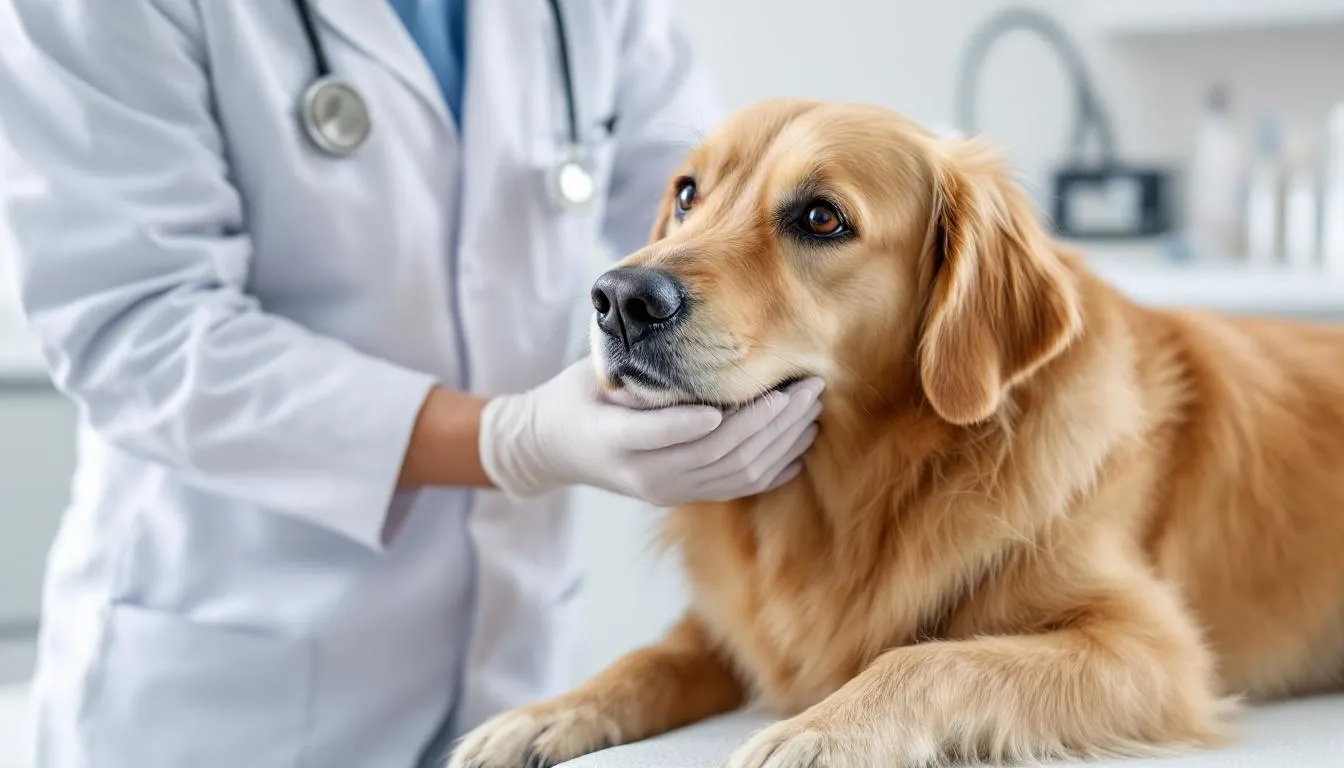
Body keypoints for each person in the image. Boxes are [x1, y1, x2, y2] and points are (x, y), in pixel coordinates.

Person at [0, 2, 823, 766]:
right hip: (229, 686)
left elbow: (702, 189)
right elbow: (139, 331)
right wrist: (511, 440)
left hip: (518, 652)